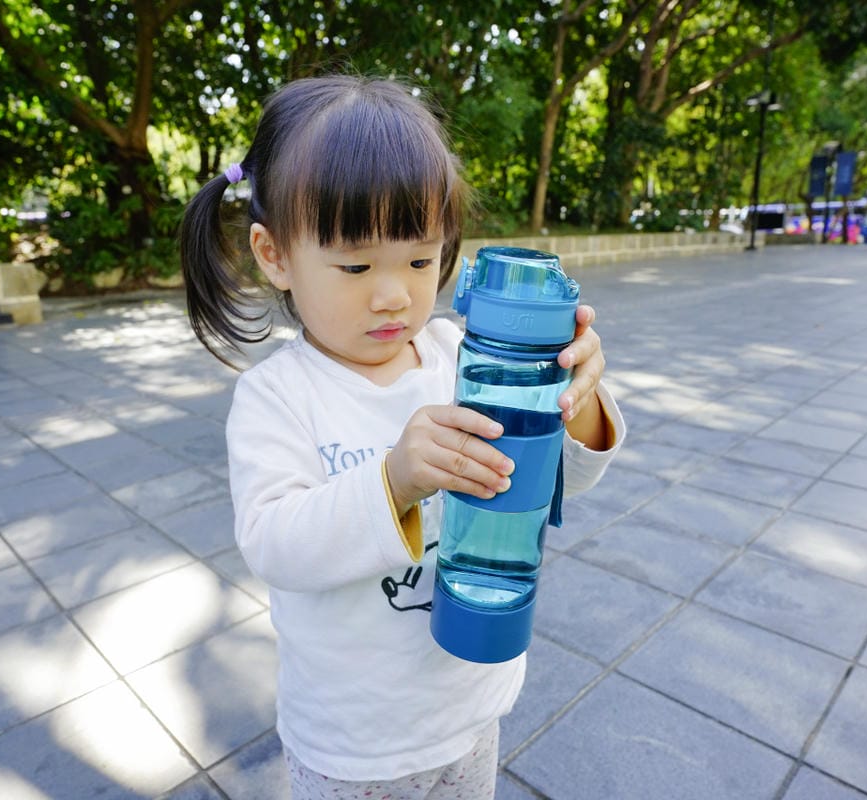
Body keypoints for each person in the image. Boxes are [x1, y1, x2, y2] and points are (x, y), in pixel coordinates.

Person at [179, 74, 625, 800]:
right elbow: (273, 542)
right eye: (356, 265)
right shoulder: (279, 397)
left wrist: (576, 399)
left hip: (469, 712)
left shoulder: (458, 354)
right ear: (275, 254)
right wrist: (394, 480)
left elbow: (557, 482)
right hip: (352, 745)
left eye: (420, 259)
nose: (395, 294)